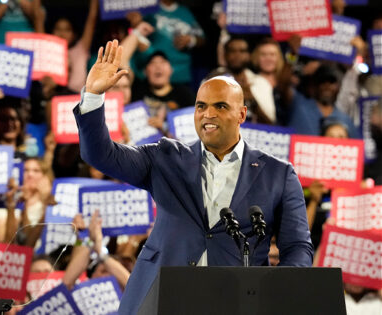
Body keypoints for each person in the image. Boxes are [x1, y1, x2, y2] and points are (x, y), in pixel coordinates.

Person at [74, 40, 313, 314]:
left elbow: (297, 247)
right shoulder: (165, 157)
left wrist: (275, 294)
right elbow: (101, 154)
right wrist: (92, 96)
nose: (208, 114)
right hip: (161, 298)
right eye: (201, 106)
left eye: (221, 106)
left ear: (241, 114)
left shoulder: (278, 174)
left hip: (234, 302)